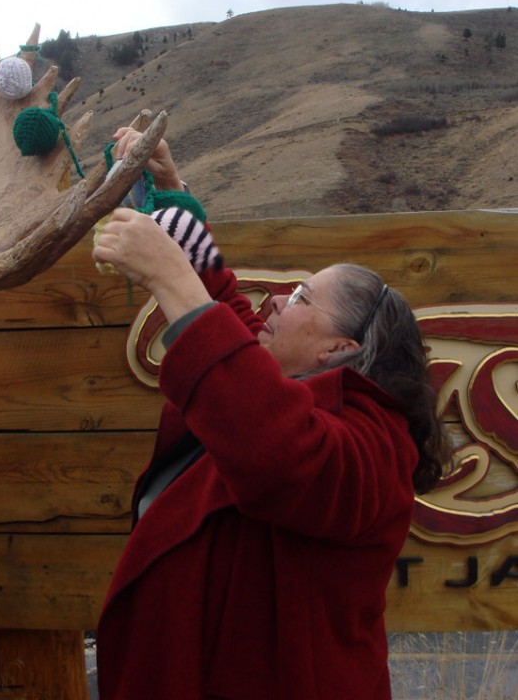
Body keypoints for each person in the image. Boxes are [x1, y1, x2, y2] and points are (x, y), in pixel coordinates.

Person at [92, 128, 452, 700]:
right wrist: (172, 191)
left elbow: (277, 449)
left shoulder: (377, 447)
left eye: (305, 297)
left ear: (340, 349)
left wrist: (169, 276)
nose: (279, 299)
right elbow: (228, 315)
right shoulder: (283, 389)